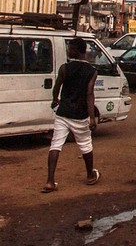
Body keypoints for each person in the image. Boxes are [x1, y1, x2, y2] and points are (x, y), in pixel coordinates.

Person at [42, 37, 100, 193]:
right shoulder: (92, 71)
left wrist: (55, 100)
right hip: (80, 114)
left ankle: (50, 181)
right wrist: (92, 118)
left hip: (63, 112)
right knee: (86, 145)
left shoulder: (64, 68)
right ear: (84, 52)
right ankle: (90, 175)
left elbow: (57, 87)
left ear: (73, 51)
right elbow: (89, 94)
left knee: (56, 145)